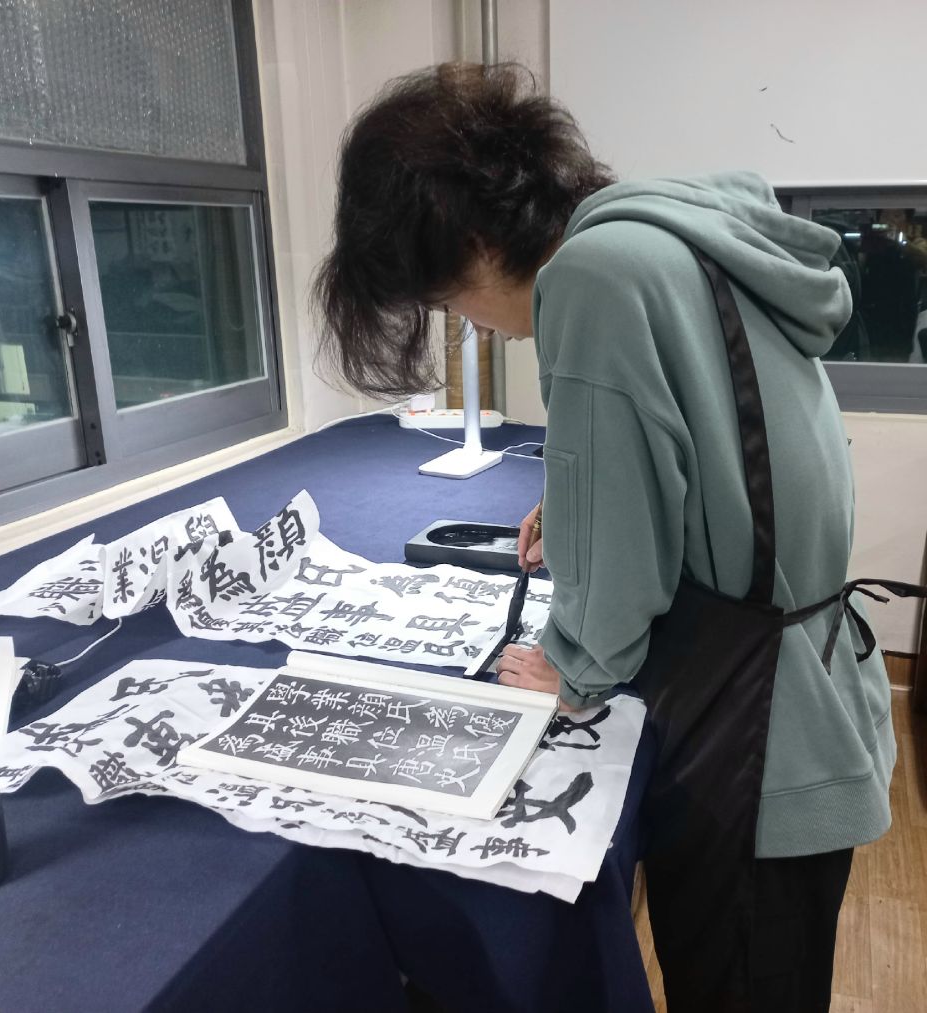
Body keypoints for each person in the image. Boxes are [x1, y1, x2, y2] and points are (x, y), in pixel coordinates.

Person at [314, 63, 914, 1012]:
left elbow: (621, 574)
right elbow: (710, 446)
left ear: (473, 241)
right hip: (806, 675)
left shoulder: (593, 276)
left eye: (450, 302)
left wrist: (574, 663)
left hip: (757, 730)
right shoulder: (666, 238)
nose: (476, 328)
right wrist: (579, 503)